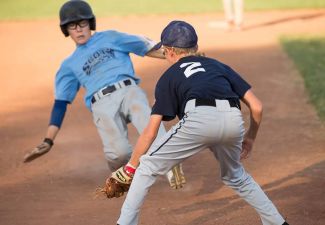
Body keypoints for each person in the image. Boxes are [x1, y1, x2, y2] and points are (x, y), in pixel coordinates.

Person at [112, 20, 289, 225]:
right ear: (195, 48)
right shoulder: (218, 66)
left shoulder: (168, 76)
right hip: (233, 120)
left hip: (199, 119)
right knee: (236, 176)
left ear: (169, 51)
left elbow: (150, 132)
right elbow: (257, 106)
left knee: (146, 168)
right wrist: (250, 138)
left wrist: (131, 167)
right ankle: (277, 222)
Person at [23, 0, 185, 189]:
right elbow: (60, 102)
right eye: (72, 26)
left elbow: (148, 48)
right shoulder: (69, 65)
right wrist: (48, 140)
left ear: (90, 23)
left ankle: (169, 164)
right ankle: (125, 175)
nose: (79, 29)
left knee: (148, 124)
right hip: (101, 104)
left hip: (128, 90)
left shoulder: (110, 37)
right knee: (119, 154)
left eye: (82, 23)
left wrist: (183, 58)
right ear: (66, 30)